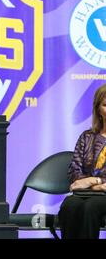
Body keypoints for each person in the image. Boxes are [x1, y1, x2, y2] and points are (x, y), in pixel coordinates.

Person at [59, 83, 106, 239]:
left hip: (99, 197)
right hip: (84, 193)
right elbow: (75, 172)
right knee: (69, 206)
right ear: (98, 110)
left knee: (90, 208)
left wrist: (91, 181)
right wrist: (97, 183)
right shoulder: (87, 137)